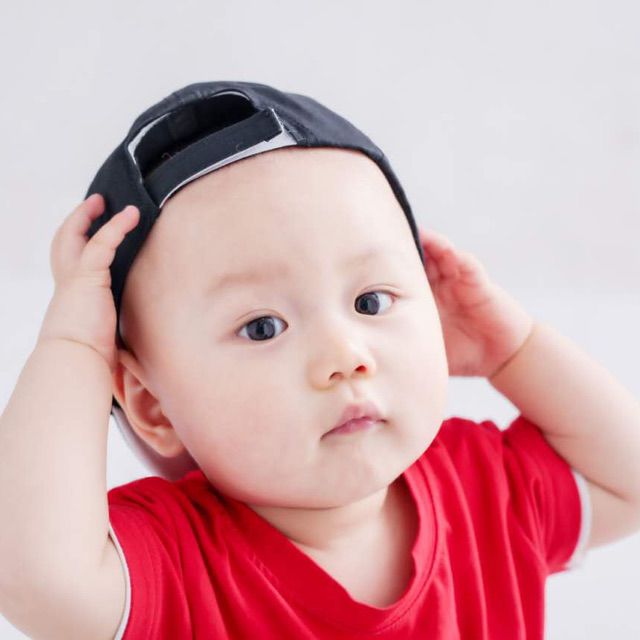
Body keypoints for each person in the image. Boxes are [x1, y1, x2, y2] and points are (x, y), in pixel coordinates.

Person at [1, 81, 640, 640]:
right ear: (152, 405)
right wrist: (74, 348)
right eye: (262, 327)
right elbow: (33, 577)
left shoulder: (484, 495)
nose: (344, 356)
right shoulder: (171, 564)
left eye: (370, 301)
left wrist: (516, 350)